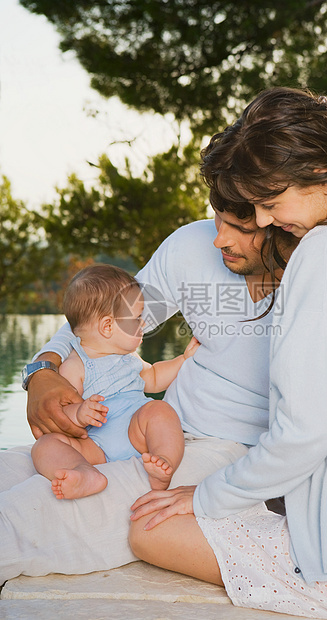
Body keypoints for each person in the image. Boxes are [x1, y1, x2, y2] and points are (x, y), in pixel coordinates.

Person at [128, 87, 327, 619]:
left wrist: (204, 497)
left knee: (147, 530)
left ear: (321, 175)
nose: (266, 222)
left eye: (270, 205)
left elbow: (305, 432)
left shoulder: (324, 254)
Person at [0, 205, 296, 583]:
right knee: (11, 469)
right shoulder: (194, 246)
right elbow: (100, 318)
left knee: (30, 517)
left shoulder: (316, 281)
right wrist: (43, 370)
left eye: (241, 226)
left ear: (279, 218)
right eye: (219, 216)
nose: (218, 237)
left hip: (222, 449)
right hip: (139, 425)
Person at [31, 264, 199, 499]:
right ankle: (83, 472)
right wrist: (79, 412)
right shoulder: (74, 365)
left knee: (159, 409)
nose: (143, 324)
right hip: (96, 445)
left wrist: (184, 359)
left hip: (138, 431)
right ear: (108, 326)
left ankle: (163, 461)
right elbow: (62, 414)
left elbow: (153, 377)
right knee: (45, 445)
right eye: (137, 318)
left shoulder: (128, 357)